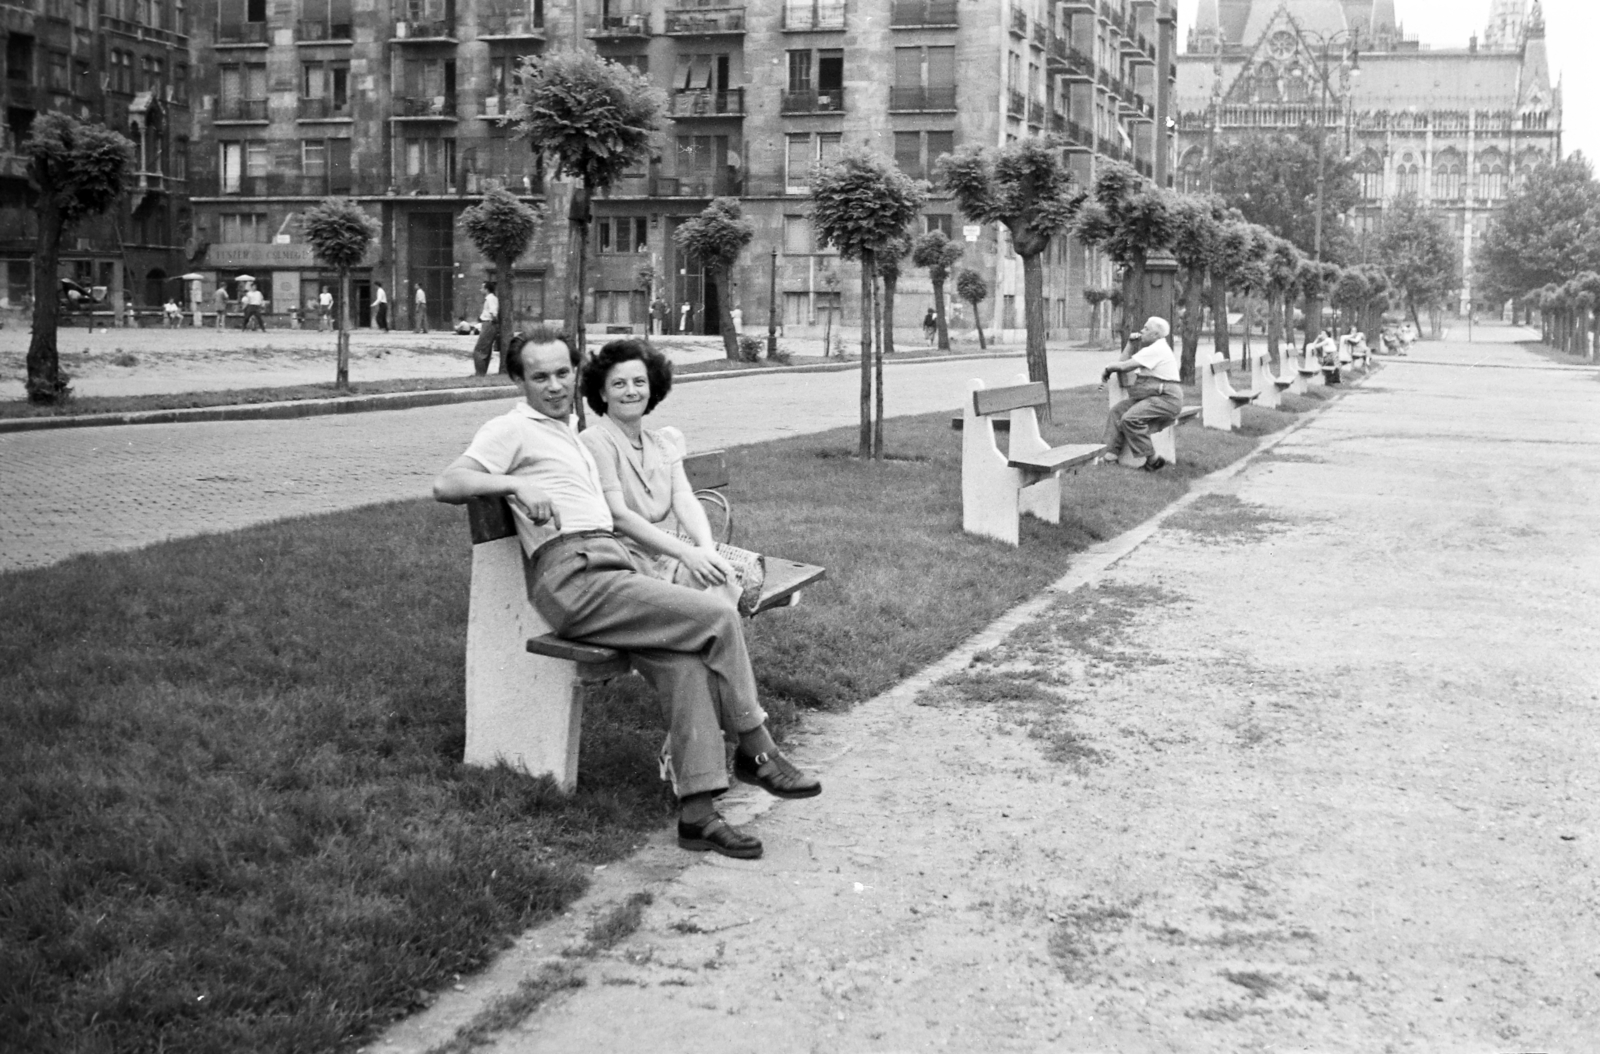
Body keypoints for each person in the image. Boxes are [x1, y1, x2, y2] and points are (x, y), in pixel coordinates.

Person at [432, 326, 821, 860]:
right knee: (716, 618)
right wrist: (514, 485)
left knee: (685, 662)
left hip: (608, 569)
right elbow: (447, 483)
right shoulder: (511, 429)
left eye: (563, 373)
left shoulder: (570, 431)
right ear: (518, 380)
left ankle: (697, 815)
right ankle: (757, 751)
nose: (554, 385)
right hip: (577, 576)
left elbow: (638, 500)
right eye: (539, 376)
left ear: (575, 372)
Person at [578, 338, 740, 608]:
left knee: (723, 577)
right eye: (619, 384)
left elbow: (685, 499)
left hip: (662, 556)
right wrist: (688, 554)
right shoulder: (595, 441)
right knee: (717, 593)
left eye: (639, 382)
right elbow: (619, 516)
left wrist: (706, 549)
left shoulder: (662, 445)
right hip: (619, 565)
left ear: (652, 387)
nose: (631, 391)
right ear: (603, 393)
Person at [1097, 316, 1183, 472]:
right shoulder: (1152, 349)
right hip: (1154, 395)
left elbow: (1122, 366)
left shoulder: (1156, 349)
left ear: (1156, 335)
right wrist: (1130, 343)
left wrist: (1107, 368)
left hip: (1166, 398)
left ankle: (1153, 460)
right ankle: (1110, 456)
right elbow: (1122, 363)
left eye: (1146, 329)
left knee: (1130, 418)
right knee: (1118, 411)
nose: (1142, 331)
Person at [473, 280, 499, 375]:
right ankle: (481, 372)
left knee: (479, 350)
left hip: (489, 323)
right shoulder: (491, 298)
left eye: (482, 288)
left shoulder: (490, 299)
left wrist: (493, 321)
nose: (480, 290)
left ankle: (480, 373)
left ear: (486, 289)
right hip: (488, 323)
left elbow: (493, 312)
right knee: (485, 350)